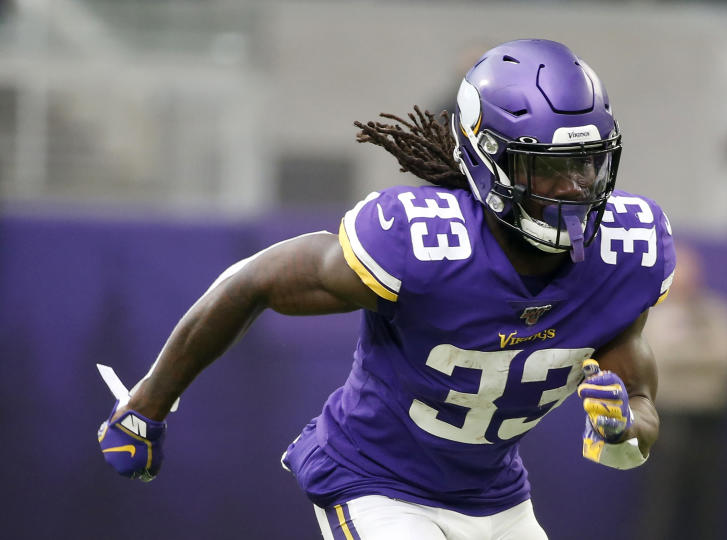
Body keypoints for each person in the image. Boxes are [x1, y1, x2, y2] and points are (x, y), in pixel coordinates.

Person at [96, 39, 676, 540]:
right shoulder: (424, 246)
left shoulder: (624, 256)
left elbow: (635, 425)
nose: (574, 188)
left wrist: (620, 428)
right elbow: (255, 280)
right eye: (548, 167)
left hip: (496, 498)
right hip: (377, 483)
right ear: (490, 163)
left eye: (588, 164)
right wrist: (148, 403)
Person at [638, 244, 727, 540]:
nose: (686, 278)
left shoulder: (718, 311)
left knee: (711, 507)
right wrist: (701, 357)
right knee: (661, 505)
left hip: (713, 424)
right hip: (667, 425)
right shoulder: (649, 315)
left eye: (691, 270)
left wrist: (683, 356)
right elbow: (655, 362)